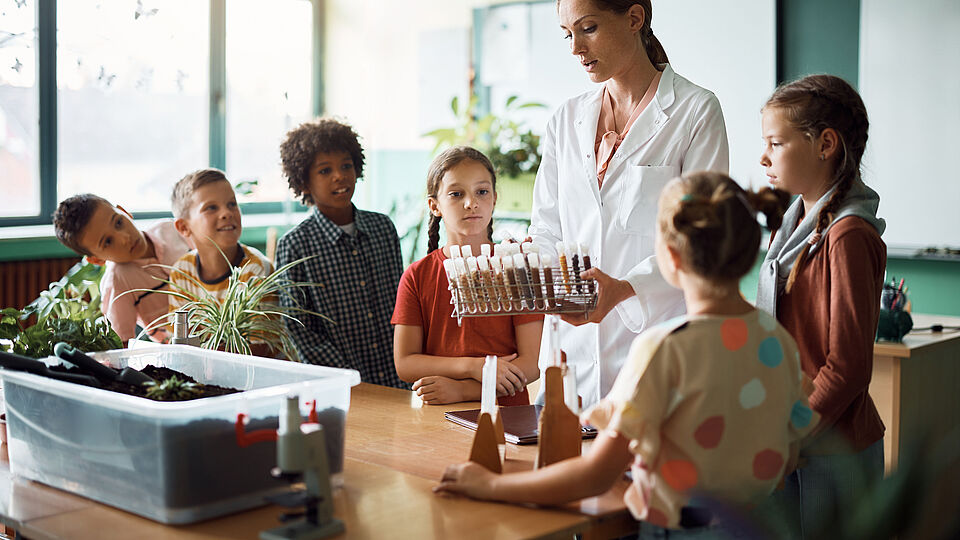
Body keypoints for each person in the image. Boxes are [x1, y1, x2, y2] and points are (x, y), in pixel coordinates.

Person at [436, 172, 814, 536]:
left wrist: (489, 485)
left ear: (670, 257)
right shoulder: (777, 340)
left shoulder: (664, 347)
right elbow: (790, 453)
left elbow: (594, 476)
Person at [529, 0, 730, 408]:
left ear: (634, 18)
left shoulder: (695, 111)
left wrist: (624, 289)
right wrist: (546, 284)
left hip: (656, 342)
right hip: (569, 349)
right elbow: (547, 227)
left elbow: (700, 236)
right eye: (568, 34)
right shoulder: (566, 120)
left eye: (588, 28)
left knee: (640, 465)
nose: (575, 49)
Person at [756, 74, 886, 538]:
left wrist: (790, 432)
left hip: (830, 448)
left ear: (825, 144)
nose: (764, 157)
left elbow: (848, 366)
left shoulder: (848, 235)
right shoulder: (790, 229)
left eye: (776, 143)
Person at [392, 146, 543, 405]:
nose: (471, 203)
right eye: (456, 194)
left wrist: (463, 391)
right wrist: (474, 367)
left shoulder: (518, 269)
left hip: (507, 418)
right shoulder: (416, 276)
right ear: (434, 205)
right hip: (435, 418)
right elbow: (405, 363)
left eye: (481, 192)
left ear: (494, 199)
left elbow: (531, 364)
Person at [275, 118, 406, 388]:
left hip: (397, 378)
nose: (339, 175)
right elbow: (298, 328)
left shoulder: (383, 228)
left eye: (346, 166)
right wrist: (346, 378)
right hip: (341, 386)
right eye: (324, 171)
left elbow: (400, 304)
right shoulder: (296, 244)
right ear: (304, 182)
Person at [52, 193, 189, 344]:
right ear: (97, 260)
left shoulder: (170, 229)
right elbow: (121, 344)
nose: (125, 238)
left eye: (118, 222)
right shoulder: (118, 282)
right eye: (108, 241)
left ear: (124, 211)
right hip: (182, 352)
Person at [168, 168, 273, 312]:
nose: (226, 213)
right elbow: (178, 333)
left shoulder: (255, 270)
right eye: (211, 208)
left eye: (232, 204)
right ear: (184, 227)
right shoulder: (182, 272)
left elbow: (259, 334)